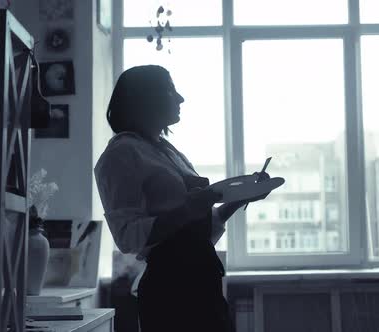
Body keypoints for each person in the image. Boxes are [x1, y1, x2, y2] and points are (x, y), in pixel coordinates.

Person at [94, 65, 269, 332]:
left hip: (202, 281)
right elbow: (128, 236)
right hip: (171, 290)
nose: (180, 98)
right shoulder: (122, 153)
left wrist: (240, 198)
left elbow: (195, 227)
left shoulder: (166, 151)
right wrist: (189, 208)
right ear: (145, 98)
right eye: (170, 90)